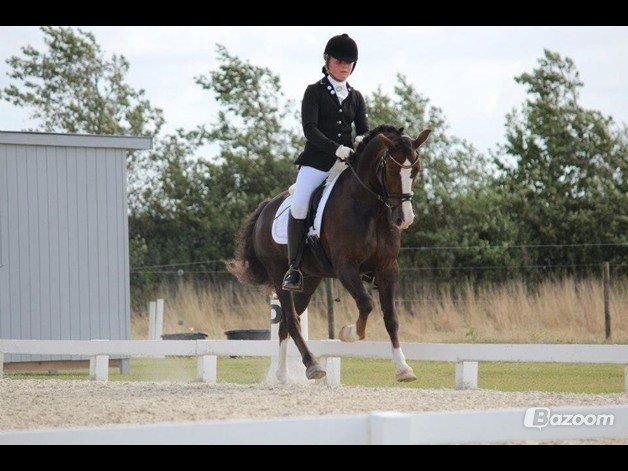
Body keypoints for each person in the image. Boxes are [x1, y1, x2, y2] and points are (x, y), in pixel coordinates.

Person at [282, 33, 369, 292]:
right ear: (327, 61)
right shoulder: (314, 92)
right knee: (299, 205)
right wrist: (336, 149)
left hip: (346, 165)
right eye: (340, 61)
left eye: (349, 62)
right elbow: (310, 130)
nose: (344, 66)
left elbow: (363, 129)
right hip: (317, 163)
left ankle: (370, 261)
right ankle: (294, 268)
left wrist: (362, 140)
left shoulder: (356, 97)